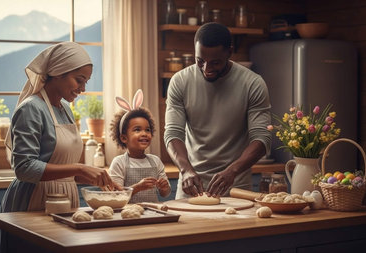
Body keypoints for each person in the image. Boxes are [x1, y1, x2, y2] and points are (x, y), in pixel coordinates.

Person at [0, 42, 120, 252]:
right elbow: (24, 168)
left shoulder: (64, 109)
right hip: (33, 201)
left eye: (86, 82)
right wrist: (80, 168)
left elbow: (63, 168)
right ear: (57, 73)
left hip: (65, 201)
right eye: (78, 80)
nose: (82, 88)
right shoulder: (31, 109)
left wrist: (98, 178)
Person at [164, 22, 272, 199]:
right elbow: (172, 133)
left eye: (215, 62)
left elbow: (261, 139)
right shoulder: (180, 81)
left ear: (229, 52)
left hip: (236, 188)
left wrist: (232, 171)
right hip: (191, 188)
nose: (207, 69)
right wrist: (186, 170)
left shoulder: (253, 83)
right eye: (200, 61)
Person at [109, 89, 171, 203]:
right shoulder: (119, 163)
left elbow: (165, 194)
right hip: (128, 216)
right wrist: (137, 187)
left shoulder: (155, 161)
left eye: (147, 130)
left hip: (153, 214)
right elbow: (115, 196)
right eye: (137, 130)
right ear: (123, 138)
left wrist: (164, 187)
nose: (144, 134)